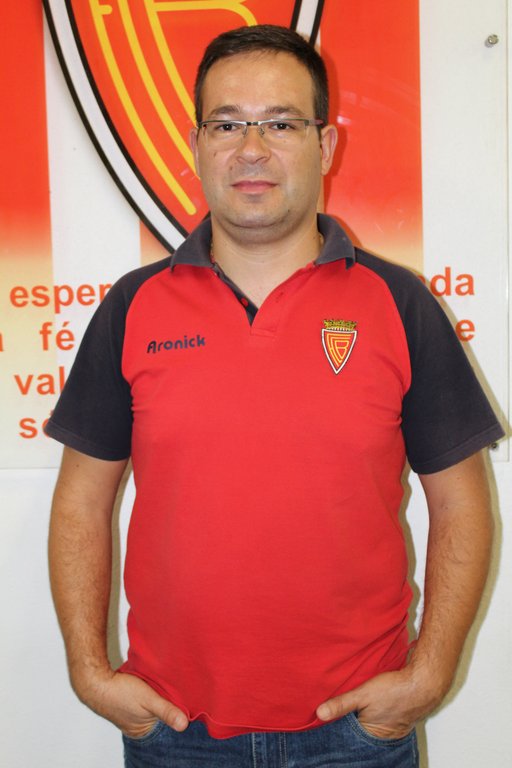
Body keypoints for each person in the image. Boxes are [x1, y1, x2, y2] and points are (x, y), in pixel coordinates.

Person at [46, 24, 504, 768]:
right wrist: (89, 671)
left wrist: (429, 675)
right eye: (227, 124)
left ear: (325, 145)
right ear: (197, 144)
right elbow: (80, 503)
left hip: (357, 732)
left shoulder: (400, 304)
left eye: (281, 124)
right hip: (174, 729)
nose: (251, 149)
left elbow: (463, 504)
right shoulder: (132, 307)